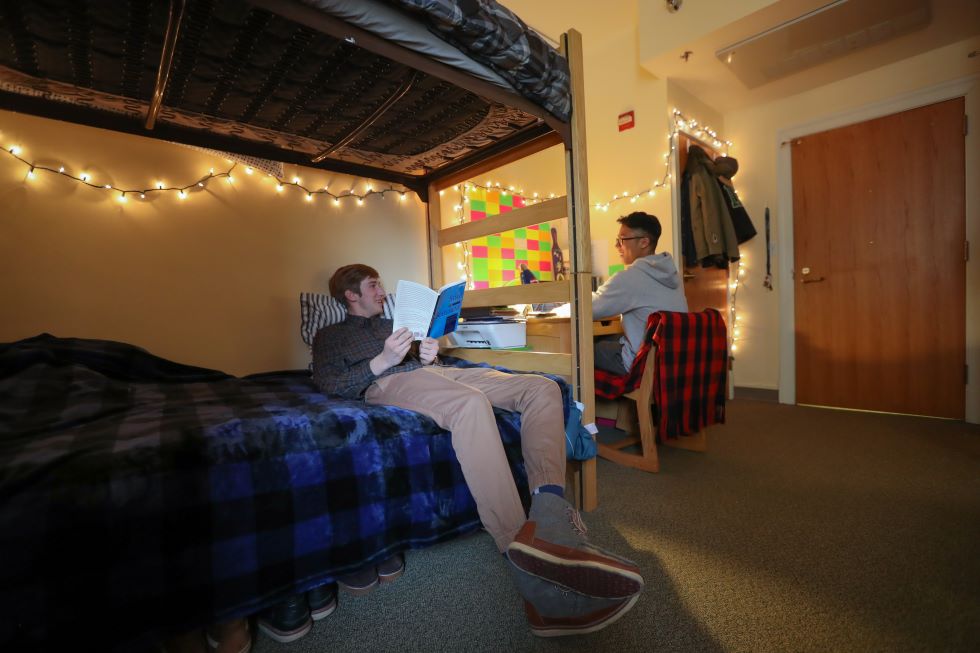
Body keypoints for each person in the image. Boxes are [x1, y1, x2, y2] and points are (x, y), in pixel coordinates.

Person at [310, 264, 644, 636]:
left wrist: (428, 355)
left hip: (435, 373)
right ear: (350, 294)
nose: (381, 291)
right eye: (373, 285)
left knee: (542, 387)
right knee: (470, 404)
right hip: (386, 383)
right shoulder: (331, 335)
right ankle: (524, 560)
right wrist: (384, 360)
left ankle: (548, 516)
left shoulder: (392, 325)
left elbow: (424, 363)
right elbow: (330, 383)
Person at [592, 212, 688, 375]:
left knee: (585, 347)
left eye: (622, 240)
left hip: (641, 363)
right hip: (671, 361)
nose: (617, 246)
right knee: (609, 340)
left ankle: (577, 392)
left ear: (644, 242)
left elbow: (590, 309)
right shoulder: (673, 276)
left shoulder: (630, 277)